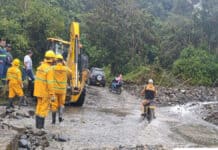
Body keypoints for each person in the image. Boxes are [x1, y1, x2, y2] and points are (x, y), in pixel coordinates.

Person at [34, 50, 55, 129]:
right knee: (44, 108)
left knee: (38, 107)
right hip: (45, 92)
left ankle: (37, 126)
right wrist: (52, 94)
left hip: (38, 91)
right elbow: (50, 83)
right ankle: (41, 127)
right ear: (52, 59)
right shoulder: (49, 69)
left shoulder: (40, 67)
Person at [50, 54, 72, 124]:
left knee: (54, 105)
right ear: (62, 61)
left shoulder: (53, 68)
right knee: (61, 104)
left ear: (56, 61)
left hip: (54, 90)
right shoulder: (66, 69)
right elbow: (71, 74)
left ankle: (53, 121)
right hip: (62, 90)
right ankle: (60, 117)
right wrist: (65, 65)